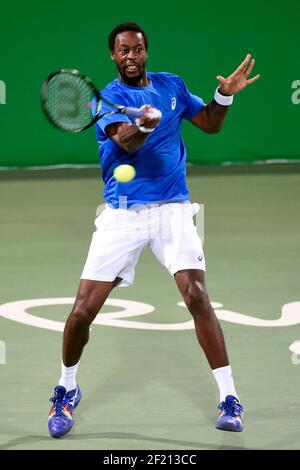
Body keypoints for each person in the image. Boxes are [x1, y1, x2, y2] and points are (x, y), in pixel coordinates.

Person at [48, 22, 259, 438]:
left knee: (197, 295)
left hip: (173, 210)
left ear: (146, 51)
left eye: (137, 49)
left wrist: (224, 95)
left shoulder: (172, 85)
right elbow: (124, 143)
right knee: (82, 312)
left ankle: (230, 398)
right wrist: (143, 125)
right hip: (123, 213)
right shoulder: (107, 98)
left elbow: (210, 124)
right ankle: (66, 388)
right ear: (113, 55)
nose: (131, 56)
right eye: (123, 51)